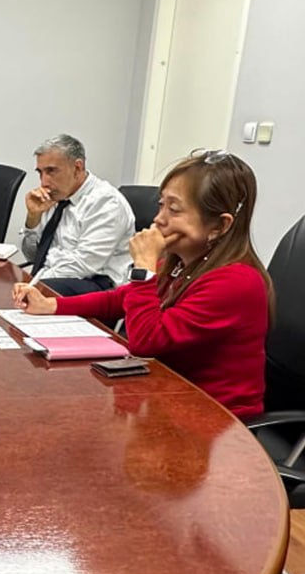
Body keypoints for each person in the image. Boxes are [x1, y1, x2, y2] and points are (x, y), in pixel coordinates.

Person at [14, 149, 271, 418]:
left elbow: (146, 342)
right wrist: (50, 305)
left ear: (219, 225)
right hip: (169, 394)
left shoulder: (236, 282)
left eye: (174, 209)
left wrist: (144, 268)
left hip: (216, 420)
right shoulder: (182, 263)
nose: (159, 219)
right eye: (161, 205)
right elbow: (119, 299)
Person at [20, 134, 134, 296]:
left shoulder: (106, 202)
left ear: (77, 168)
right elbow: (32, 256)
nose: (44, 182)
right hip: (54, 277)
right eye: (40, 172)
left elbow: (83, 265)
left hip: (97, 285)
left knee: (31, 294)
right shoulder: (55, 197)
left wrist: (33, 284)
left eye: (51, 171)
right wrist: (33, 218)